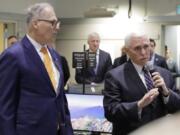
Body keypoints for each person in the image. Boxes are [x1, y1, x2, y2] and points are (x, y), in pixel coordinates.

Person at [0, 3, 73, 135]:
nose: (56, 27)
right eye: (52, 22)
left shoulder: (55, 55)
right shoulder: (13, 55)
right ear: (35, 23)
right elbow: (4, 107)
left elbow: (60, 99)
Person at [103, 33, 180, 135]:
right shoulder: (114, 76)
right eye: (137, 48)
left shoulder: (164, 73)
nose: (143, 52)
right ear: (127, 51)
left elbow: (177, 108)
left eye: (146, 46)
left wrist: (166, 93)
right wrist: (139, 105)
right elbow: (111, 112)